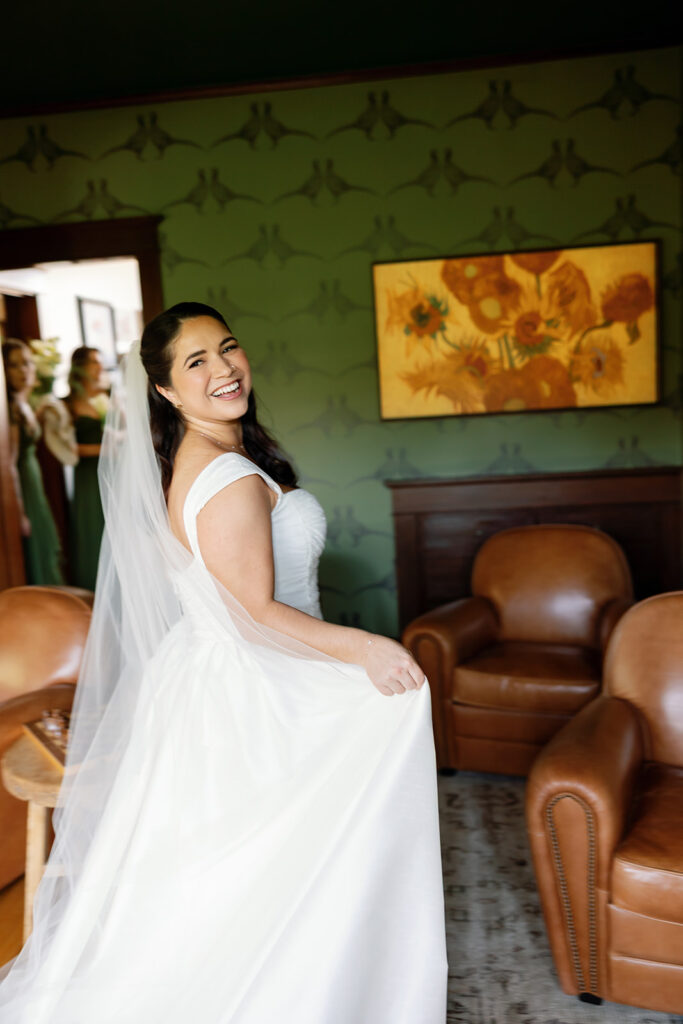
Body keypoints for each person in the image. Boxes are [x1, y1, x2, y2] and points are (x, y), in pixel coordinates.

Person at [0, 303, 447, 1023]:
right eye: (196, 362)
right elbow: (253, 615)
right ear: (166, 390)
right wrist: (368, 647)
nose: (224, 368)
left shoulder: (192, 463)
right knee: (288, 864)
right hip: (258, 684)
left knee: (246, 881)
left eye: (228, 348)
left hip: (217, 678)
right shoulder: (227, 475)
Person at [1, 339, 64, 585]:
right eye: (14, 365)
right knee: (37, 544)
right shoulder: (10, 409)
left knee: (45, 541)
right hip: (22, 486)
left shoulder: (21, 402)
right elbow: (9, 464)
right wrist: (19, 512)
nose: (23, 370)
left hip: (33, 479)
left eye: (27, 363)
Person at [65, 346, 107, 589]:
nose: (99, 367)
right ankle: (93, 584)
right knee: (93, 524)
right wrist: (106, 449)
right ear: (80, 367)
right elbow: (69, 448)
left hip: (109, 470)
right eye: (94, 362)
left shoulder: (104, 396)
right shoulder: (69, 404)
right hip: (87, 474)